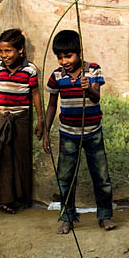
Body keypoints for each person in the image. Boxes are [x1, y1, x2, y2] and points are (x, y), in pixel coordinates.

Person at [43, 30, 115, 234]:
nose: (64, 61)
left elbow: (96, 98)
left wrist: (88, 88)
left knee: (101, 176)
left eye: (68, 56)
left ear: (80, 52)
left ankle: (105, 216)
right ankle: (67, 217)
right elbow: (51, 106)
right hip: (67, 134)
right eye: (60, 57)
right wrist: (46, 131)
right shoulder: (56, 76)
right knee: (65, 177)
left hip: (93, 132)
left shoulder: (92, 70)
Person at [0, 29, 44, 213]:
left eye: (8, 51)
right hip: (1, 117)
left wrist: (40, 119)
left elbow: (35, 94)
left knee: (18, 159)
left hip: (21, 119)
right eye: (1, 51)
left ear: (20, 49)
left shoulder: (30, 69)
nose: (4, 55)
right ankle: (3, 197)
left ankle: (15, 200)